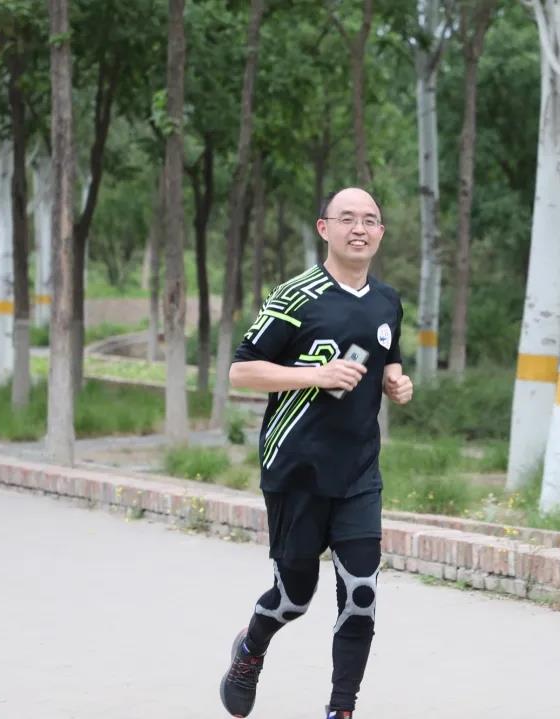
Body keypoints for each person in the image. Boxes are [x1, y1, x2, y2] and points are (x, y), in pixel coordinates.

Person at [220, 187, 413, 719]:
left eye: (370, 220)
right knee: (293, 598)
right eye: (347, 218)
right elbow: (241, 371)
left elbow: (388, 352)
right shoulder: (295, 296)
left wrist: (396, 381)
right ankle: (250, 649)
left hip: (358, 473)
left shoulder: (387, 300)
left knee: (361, 597)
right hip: (297, 469)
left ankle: (340, 709)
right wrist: (316, 375)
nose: (359, 228)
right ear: (324, 228)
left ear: (380, 233)